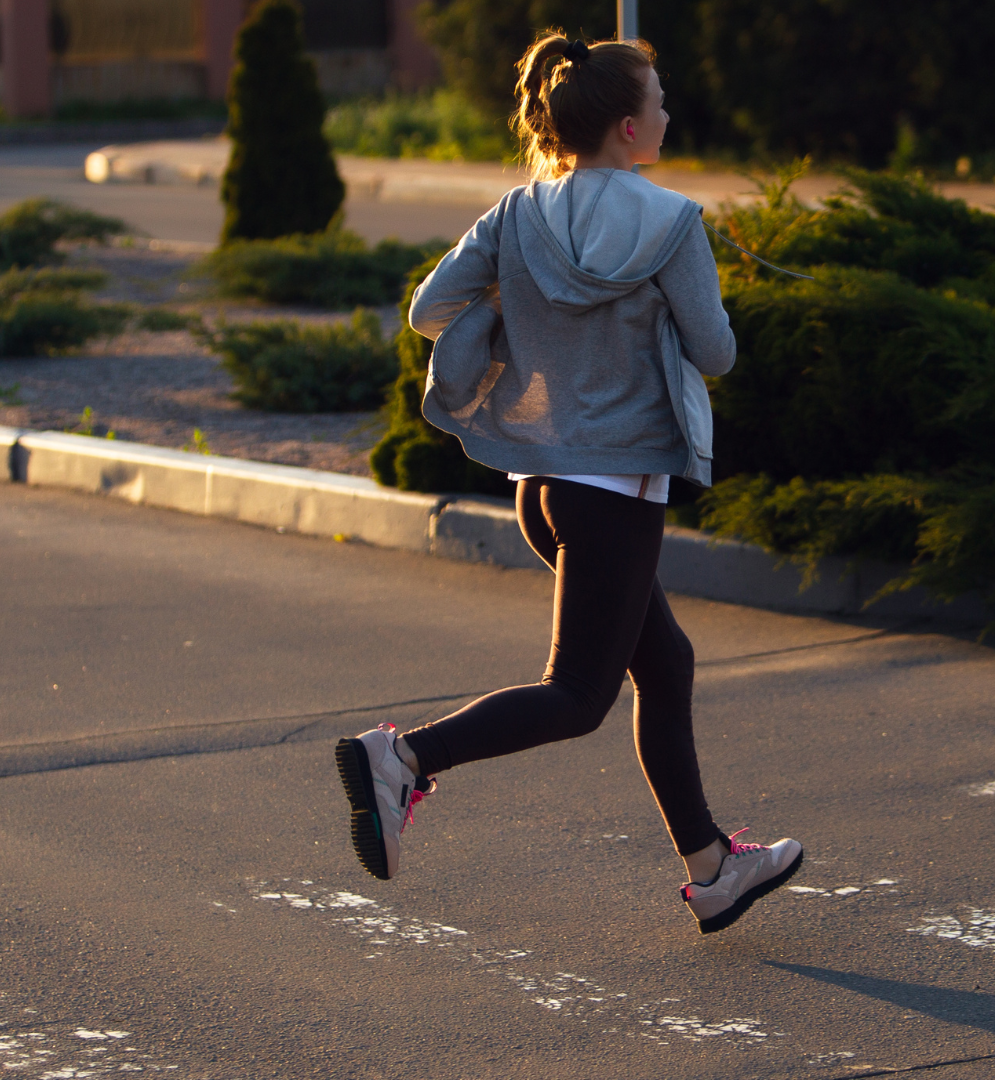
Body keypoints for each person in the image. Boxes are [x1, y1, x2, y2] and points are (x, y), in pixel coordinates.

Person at [335, 31, 802, 935]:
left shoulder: (517, 216)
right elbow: (716, 351)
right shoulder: (670, 223)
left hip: (541, 488)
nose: (668, 115)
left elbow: (429, 311)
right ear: (629, 128)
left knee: (666, 665)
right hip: (615, 491)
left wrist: (519, 297)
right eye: (660, 103)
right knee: (578, 696)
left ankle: (712, 870)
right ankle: (404, 758)